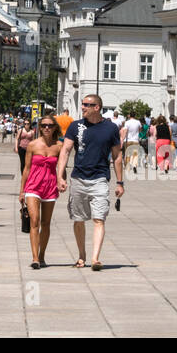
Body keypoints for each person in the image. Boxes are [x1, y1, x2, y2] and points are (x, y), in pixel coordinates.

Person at [57, 94, 124, 271]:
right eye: (83, 104)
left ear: (97, 107)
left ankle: (95, 259)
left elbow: (117, 156)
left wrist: (120, 182)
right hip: (78, 177)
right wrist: (60, 176)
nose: (83, 107)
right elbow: (65, 150)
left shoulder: (110, 128)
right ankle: (82, 255)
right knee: (78, 219)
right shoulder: (75, 126)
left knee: (98, 218)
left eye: (87, 104)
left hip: (100, 178)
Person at [20, 114, 64, 269]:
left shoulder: (59, 146)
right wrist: (22, 191)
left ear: (55, 128)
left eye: (50, 125)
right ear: (39, 127)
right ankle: (34, 258)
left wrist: (62, 180)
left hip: (50, 186)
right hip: (33, 186)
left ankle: (42, 255)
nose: (47, 128)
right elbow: (26, 168)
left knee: (46, 223)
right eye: (44, 125)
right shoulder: (32, 145)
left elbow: (61, 168)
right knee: (35, 221)